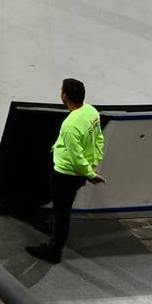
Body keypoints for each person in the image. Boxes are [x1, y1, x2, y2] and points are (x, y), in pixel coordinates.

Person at [28, 77, 105, 264]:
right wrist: (94, 162)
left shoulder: (70, 126)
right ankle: (56, 227)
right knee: (61, 208)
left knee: (62, 212)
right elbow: (98, 139)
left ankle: (54, 251)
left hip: (65, 175)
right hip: (78, 174)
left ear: (64, 96)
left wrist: (90, 174)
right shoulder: (91, 111)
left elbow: (76, 157)